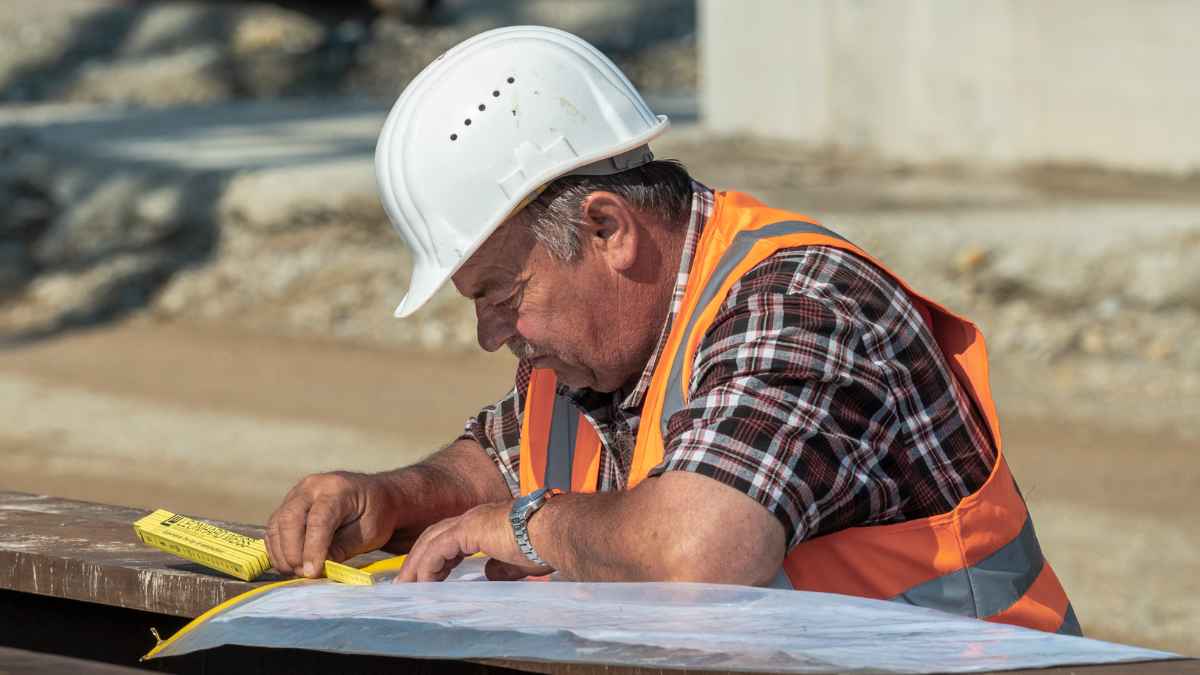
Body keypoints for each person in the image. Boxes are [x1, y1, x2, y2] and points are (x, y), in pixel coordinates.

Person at [265, 26, 1079, 635]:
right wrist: (389, 496)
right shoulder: (606, 348)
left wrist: (521, 525)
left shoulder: (802, 304)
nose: (489, 333)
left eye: (502, 293)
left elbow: (701, 553)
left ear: (608, 229)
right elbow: (503, 459)